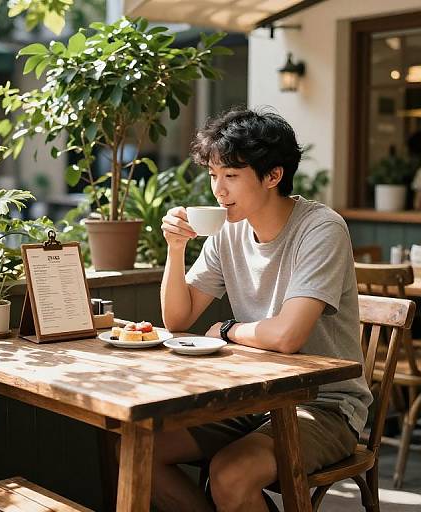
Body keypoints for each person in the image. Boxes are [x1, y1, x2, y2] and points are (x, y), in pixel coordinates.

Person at [156, 107, 373, 512]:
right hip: (249, 399)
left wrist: (227, 330)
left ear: (273, 176)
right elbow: (177, 319)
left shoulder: (321, 229)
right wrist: (175, 249)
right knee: (142, 447)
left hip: (324, 405)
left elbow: (288, 336)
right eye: (213, 176)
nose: (218, 190)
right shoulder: (227, 232)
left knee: (230, 474)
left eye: (231, 176)